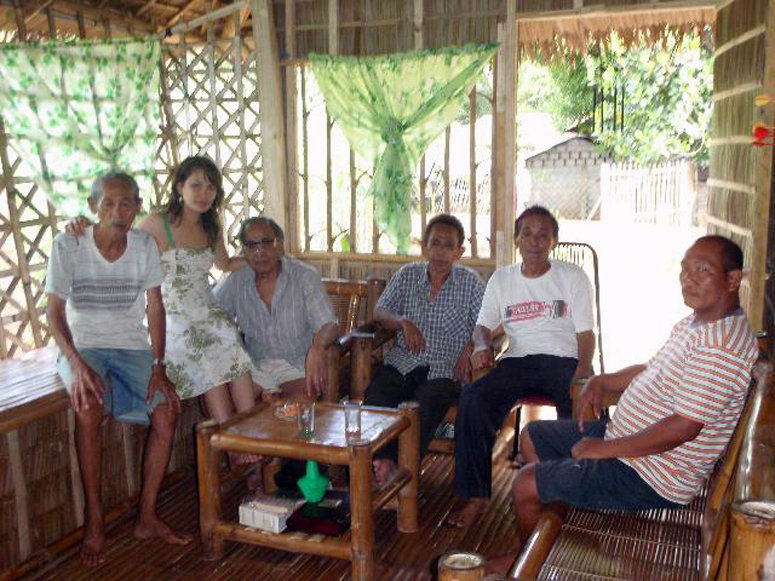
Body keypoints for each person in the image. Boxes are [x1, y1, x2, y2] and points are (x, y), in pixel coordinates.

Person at [487, 235, 759, 575]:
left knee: (525, 483)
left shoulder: (721, 346)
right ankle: (553, 533)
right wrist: (602, 381)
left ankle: (529, 564)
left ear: (734, 279)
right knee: (533, 436)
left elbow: (684, 427)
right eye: (684, 270)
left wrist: (606, 449)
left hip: (653, 473)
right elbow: (653, 370)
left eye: (702, 270)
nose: (688, 279)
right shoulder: (698, 322)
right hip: (628, 438)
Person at [68, 157, 257, 463]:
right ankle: (230, 442)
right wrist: (84, 226)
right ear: (179, 186)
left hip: (206, 312)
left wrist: (259, 256)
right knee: (205, 349)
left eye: (211, 187)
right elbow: (117, 235)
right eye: (196, 185)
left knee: (230, 342)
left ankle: (252, 434)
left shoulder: (211, 226)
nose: (203, 193)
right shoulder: (158, 223)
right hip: (170, 318)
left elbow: (224, 264)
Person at [46, 173, 190, 567]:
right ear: (93, 208)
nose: (118, 211)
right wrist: (75, 363)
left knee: (166, 409)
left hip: (130, 344)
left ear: (138, 207)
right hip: (83, 344)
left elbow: (155, 307)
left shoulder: (144, 246)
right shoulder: (69, 243)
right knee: (88, 405)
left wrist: (158, 366)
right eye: (108, 203)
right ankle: (95, 518)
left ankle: (146, 516)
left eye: (126, 203)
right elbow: (53, 312)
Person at [448, 205, 596, 528]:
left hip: (563, 359)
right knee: (473, 398)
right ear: (516, 239)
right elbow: (482, 327)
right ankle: (476, 496)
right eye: (526, 233)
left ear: (554, 241)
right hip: (518, 360)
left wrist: (583, 370)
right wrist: (483, 345)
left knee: (577, 400)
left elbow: (586, 334)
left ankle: (569, 490)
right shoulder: (502, 279)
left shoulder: (572, 277)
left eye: (543, 234)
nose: (534, 241)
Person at [364, 214, 485, 485]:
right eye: (435, 243)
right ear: (424, 247)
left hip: (446, 369)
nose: (440, 251)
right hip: (404, 362)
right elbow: (380, 310)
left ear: (459, 252)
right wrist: (401, 321)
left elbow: (487, 325)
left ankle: (395, 469)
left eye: (448, 245)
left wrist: (470, 346)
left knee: (426, 402)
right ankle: (380, 463)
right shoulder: (407, 275)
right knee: (378, 393)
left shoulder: (471, 283)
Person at [213, 216, 339, 400]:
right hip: (255, 367)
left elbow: (328, 324)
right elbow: (212, 314)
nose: (259, 251)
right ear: (244, 251)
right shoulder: (237, 280)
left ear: (279, 245)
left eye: (266, 242)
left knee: (298, 410)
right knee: (225, 405)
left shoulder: (304, 276)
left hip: (298, 366)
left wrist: (318, 347)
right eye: (251, 245)